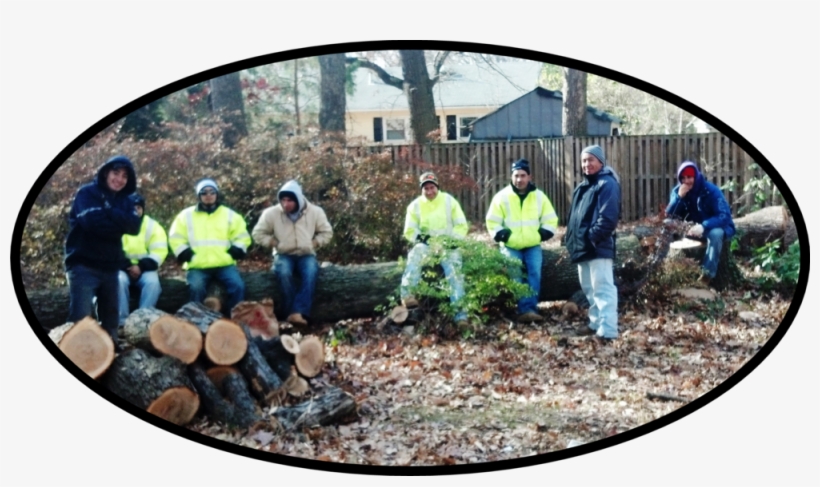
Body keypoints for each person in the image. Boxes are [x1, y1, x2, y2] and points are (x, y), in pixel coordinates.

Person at [64, 155, 141, 342]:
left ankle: (110, 355)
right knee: (80, 319)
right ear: (106, 173)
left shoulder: (126, 200)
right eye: (116, 173)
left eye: (125, 176)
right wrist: (120, 222)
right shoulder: (87, 193)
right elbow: (92, 224)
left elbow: (134, 227)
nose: (119, 179)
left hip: (111, 268)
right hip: (83, 265)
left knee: (111, 321)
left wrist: (108, 211)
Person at [251, 180, 332, 327]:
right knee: (283, 272)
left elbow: (326, 232)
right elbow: (258, 233)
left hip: (306, 254)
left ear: (298, 200)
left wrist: (314, 243)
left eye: (289, 200)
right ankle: (291, 314)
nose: (285, 204)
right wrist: (274, 243)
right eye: (283, 200)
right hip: (283, 254)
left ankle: (298, 311)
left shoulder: (315, 212)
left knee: (311, 272)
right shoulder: (272, 213)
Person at [486, 159, 558, 323]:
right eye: (516, 175)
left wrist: (543, 234)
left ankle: (529, 309)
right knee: (515, 275)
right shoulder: (502, 197)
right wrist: (502, 235)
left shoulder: (539, 196)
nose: (519, 179)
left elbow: (550, 218)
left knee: (534, 274)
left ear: (529, 177)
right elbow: (492, 221)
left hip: (532, 244)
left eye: (523, 175)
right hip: (511, 245)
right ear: (511, 177)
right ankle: (521, 309)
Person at [169, 178, 251, 315]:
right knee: (196, 288)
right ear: (199, 195)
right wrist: (184, 252)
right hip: (198, 265)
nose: (208, 195)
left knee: (238, 286)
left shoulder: (230, 215)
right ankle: (195, 319)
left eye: (212, 192)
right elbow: (175, 236)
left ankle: (233, 318)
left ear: (217, 194)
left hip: (224, 264)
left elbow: (242, 235)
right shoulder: (186, 216)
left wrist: (237, 249)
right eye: (204, 193)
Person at [564, 145, 621, 341]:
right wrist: (571, 240)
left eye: (591, 160)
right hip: (582, 247)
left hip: (598, 247)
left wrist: (592, 237)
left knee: (603, 289)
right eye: (584, 161)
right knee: (589, 289)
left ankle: (608, 331)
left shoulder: (607, 184)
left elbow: (608, 218)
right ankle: (596, 323)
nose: (587, 164)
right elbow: (574, 217)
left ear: (600, 162)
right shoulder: (581, 187)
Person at [400, 172, 470, 327]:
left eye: (432, 187)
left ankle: (460, 315)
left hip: (447, 245)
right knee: (414, 255)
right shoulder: (415, 206)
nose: (430, 191)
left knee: (455, 273)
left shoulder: (449, 201)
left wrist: (451, 241)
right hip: (427, 245)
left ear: (437, 187)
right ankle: (407, 295)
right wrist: (423, 239)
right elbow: (409, 230)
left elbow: (461, 225)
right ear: (421, 189)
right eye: (426, 188)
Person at [666, 160, 736, 284]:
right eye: (683, 178)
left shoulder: (711, 191)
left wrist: (704, 226)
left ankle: (707, 275)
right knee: (666, 223)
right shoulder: (678, 191)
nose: (686, 181)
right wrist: (679, 198)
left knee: (716, 234)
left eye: (689, 177)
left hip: (711, 228)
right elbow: (670, 215)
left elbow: (724, 215)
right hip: (690, 229)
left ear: (696, 176)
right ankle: (666, 268)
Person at [117, 193, 168, 324]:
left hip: (146, 269)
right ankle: (121, 322)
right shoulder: (116, 224)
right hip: (122, 269)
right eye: (132, 207)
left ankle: (142, 321)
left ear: (143, 209)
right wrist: (128, 266)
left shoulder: (153, 226)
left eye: (138, 207)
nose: (135, 211)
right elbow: (111, 250)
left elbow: (159, 251)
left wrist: (140, 266)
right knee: (118, 282)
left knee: (153, 284)